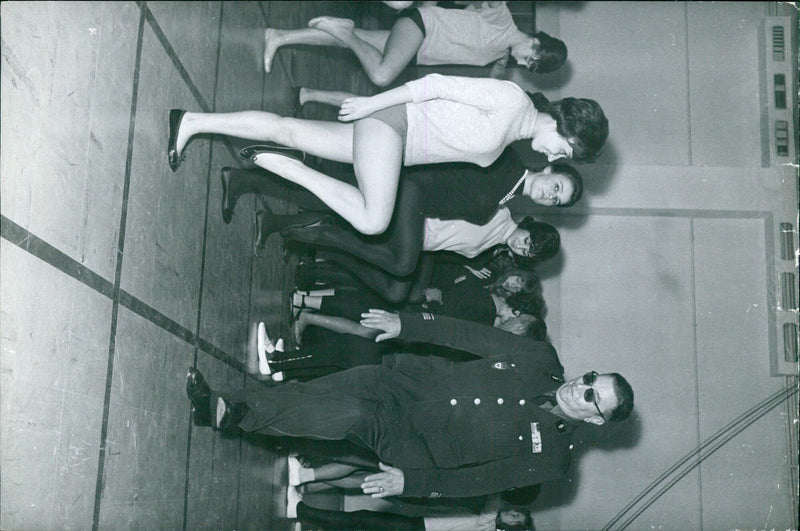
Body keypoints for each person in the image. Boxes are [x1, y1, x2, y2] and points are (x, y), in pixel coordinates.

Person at [185, 314, 634, 498]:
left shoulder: (552, 460)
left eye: (593, 396)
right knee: (314, 394)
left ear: (595, 419)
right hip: (408, 382)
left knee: (346, 416)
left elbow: (480, 481)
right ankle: (225, 406)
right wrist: (409, 324)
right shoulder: (542, 359)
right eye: (592, 378)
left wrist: (412, 483)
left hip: (414, 441)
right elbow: (471, 337)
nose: (582, 386)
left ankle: (232, 413)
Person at [167, 73, 606, 236]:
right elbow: (435, 84)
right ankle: (280, 165)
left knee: (289, 129)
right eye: (565, 149)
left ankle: (191, 122)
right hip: (393, 124)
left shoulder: (517, 139)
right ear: (563, 126)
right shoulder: (513, 101)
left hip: (398, 146)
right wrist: (372, 105)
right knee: (374, 220)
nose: (556, 154)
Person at [262, 1, 567, 85]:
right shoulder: (503, 18)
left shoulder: (502, 54)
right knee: (381, 74)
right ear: (536, 42)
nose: (524, 63)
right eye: (530, 58)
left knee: (358, 46)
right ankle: (344, 31)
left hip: (417, 49)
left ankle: (279, 36)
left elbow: (491, 73)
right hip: (420, 27)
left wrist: (500, 67)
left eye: (529, 67)